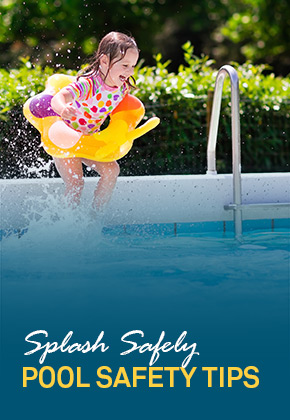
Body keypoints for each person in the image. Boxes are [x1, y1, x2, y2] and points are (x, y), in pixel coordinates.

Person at [50, 31, 139, 210]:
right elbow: (57, 98)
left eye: (133, 66)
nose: (130, 72)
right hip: (66, 140)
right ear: (104, 61)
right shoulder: (89, 84)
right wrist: (64, 109)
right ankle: (63, 226)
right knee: (76, 184)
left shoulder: (121, 89)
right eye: (125, 65)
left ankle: (94, 220)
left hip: (88, 141)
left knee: (112, 171)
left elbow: (125, 113)